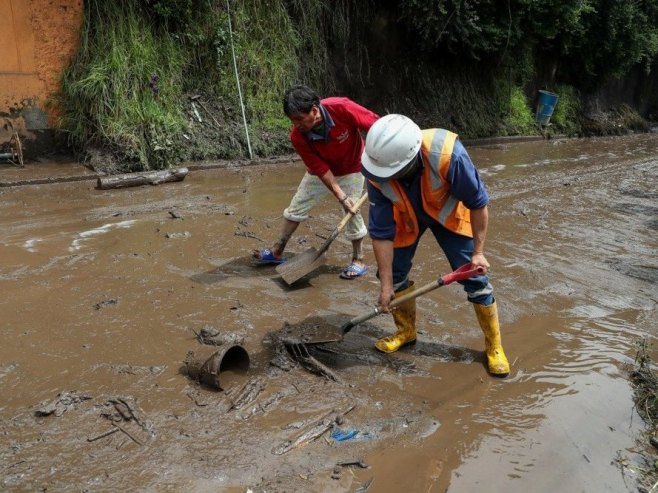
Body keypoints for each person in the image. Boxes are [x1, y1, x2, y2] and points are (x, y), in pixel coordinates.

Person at [360, 114, 509, 376]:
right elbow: (381, 233)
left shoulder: (449, 155)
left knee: (474, 276)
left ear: (409, 160)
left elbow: (478, 202)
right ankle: (405, 332)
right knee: (394, 277)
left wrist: (478, 253)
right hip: (406, 216)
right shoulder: (377, 169)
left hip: (447, 213)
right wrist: (385, 287)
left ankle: (494, 345)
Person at [253, 85, 380, 279]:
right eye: (292, 120)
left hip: (353, 166)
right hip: (319, 173)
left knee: (351, 210)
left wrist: (380, 158)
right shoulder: (297, 136)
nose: (296, 124)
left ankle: (358, 259)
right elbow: (320, 168)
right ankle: (278, 250)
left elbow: (375, 125)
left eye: (299, 119)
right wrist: (340, 195)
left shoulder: (341, 107)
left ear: (314, 110)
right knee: (296, 207)